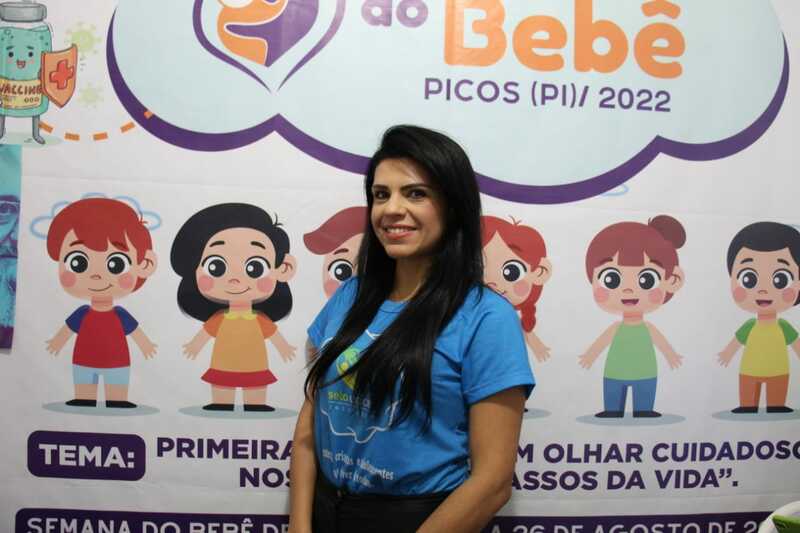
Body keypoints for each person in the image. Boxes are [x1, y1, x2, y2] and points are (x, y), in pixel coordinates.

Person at [289, 125, 534, 533]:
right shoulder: (349, 296)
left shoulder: (487, 318)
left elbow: (492, 484)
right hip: (326, 510)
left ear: (453, 206)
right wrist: (299, 525)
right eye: (380, 194)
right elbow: (309, 423)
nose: (391, 209)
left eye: (415, 193)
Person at [171, 203, 297, 411]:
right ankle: (221, 403)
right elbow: (205, 333)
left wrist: (284, 348)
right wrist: (194, 345)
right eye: (216, 266)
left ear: (283, 269)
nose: (235, 279)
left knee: (256, 382)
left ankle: (256, 404)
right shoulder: (220, 318)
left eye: (255, 267)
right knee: (222, 382)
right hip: (224, 363)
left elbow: (274, 335)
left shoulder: (259, 319)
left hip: (255, 364)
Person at [45, 198, 158, 408]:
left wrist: (146, 345)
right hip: (84, 359)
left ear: (144, 265)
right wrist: (56, 342)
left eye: (116, 264)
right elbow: (67, 330)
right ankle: (84, 398)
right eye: (78, 262)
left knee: (117, 385)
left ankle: (117, 399)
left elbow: (135, 332)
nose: (96, 275)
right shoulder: (82, 313)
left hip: (117, 360)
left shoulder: (120, 315)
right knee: (84, 387)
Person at [578, 215, 685, 418]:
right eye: (611, 279)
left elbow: (661, 342)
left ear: (672, 280)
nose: (628, 290)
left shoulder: (648, 329)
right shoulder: (616, 329)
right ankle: (612, 409)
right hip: (615, 371)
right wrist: (590, 355)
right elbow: (602, 342)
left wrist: (671, 355)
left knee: (644, 398)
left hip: (645, 372)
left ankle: (644, 409)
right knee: (613, 397)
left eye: (646, 279)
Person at [717, 222, 800, 413]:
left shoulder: (784, 326)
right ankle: (747, 405)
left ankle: (776, 405)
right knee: (748, 392)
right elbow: (737, 341)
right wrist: (727, 353)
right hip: (750, 369)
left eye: (780, 279)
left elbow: (796, 343)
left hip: (778, 369)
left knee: (777, 395)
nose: (763, 290)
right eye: (749, 279)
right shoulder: (749, 326)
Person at [481, 215, 552, 362]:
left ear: (539, 273)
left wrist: (536, 344)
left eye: (511, 272)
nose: (491, 282)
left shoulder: (508, 318)